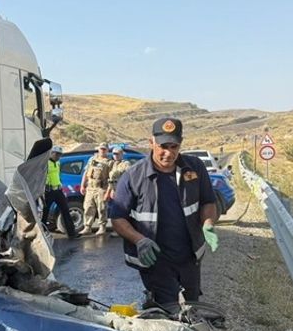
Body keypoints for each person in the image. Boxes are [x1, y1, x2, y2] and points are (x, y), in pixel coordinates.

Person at [107, 118, 219, 312]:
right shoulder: (133, 176)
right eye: (163, 147)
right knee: (168, 309)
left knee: (193, 306)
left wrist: (208, 223)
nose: (169, 153)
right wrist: (139, 240)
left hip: (189, 258)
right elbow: (117, 217)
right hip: (155, 260)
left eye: (174, 146)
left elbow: (208, 202)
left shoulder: (194, 168)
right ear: (151, 143)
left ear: (180, 143)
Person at [34, 139, 76, 235]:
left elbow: (57, 176)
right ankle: (42, 233)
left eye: (60, 154)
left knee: (65, 210)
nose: (58, 156)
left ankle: (72, 233)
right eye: (56, 154)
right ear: (51, 153)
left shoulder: (57, 163)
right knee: (45, 212)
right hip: (48, 191)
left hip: (58, 190)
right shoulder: (45, 163)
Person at [79, 144, 112, 235]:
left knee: (102, 208)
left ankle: (102, 227)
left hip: (101, 188)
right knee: (88, 207)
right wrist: (82, 185)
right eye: (101, 149)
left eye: (104, 149)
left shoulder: (109, 162)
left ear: (107, 150)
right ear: (98, 149)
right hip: (90, 187)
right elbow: (86, 173)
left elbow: (111, 178)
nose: (102, 151)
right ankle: (87, 227)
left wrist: (108, 191)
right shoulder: (92, 159)